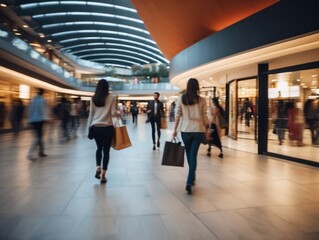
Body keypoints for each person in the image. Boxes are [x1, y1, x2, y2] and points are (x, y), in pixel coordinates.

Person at [173, 78, 209, 194]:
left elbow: (177, 114)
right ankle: (190, 180)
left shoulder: (181, 99)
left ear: (187, 86)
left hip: (185, 130)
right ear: (197, 87)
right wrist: (207, 130)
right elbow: (204, 116)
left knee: (189, 154)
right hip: (198, 130)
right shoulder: (202, 100)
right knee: (193, 155)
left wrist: (174, 130)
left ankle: (191, 177)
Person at [87, 79, 118, 183]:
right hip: (107, 127)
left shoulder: (93, 98)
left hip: (95, 127)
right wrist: (119, 114)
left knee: (98, 149)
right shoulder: (112, 98)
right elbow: (113, 113)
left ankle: (98, 168)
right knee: (106, 151)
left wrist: (89, 128)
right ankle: (103, 175)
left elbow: (91, 114)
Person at [27, 88, 49, 160]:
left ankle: (41, 152)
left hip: (33, 121)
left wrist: (29, 120)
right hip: (39, 121)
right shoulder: (42, 100)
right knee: (38, 137)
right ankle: (30, 154)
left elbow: (30, 110)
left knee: (39, 137)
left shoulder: (33, 100)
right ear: (42, 93)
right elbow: (43, 110)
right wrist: (46, 119)